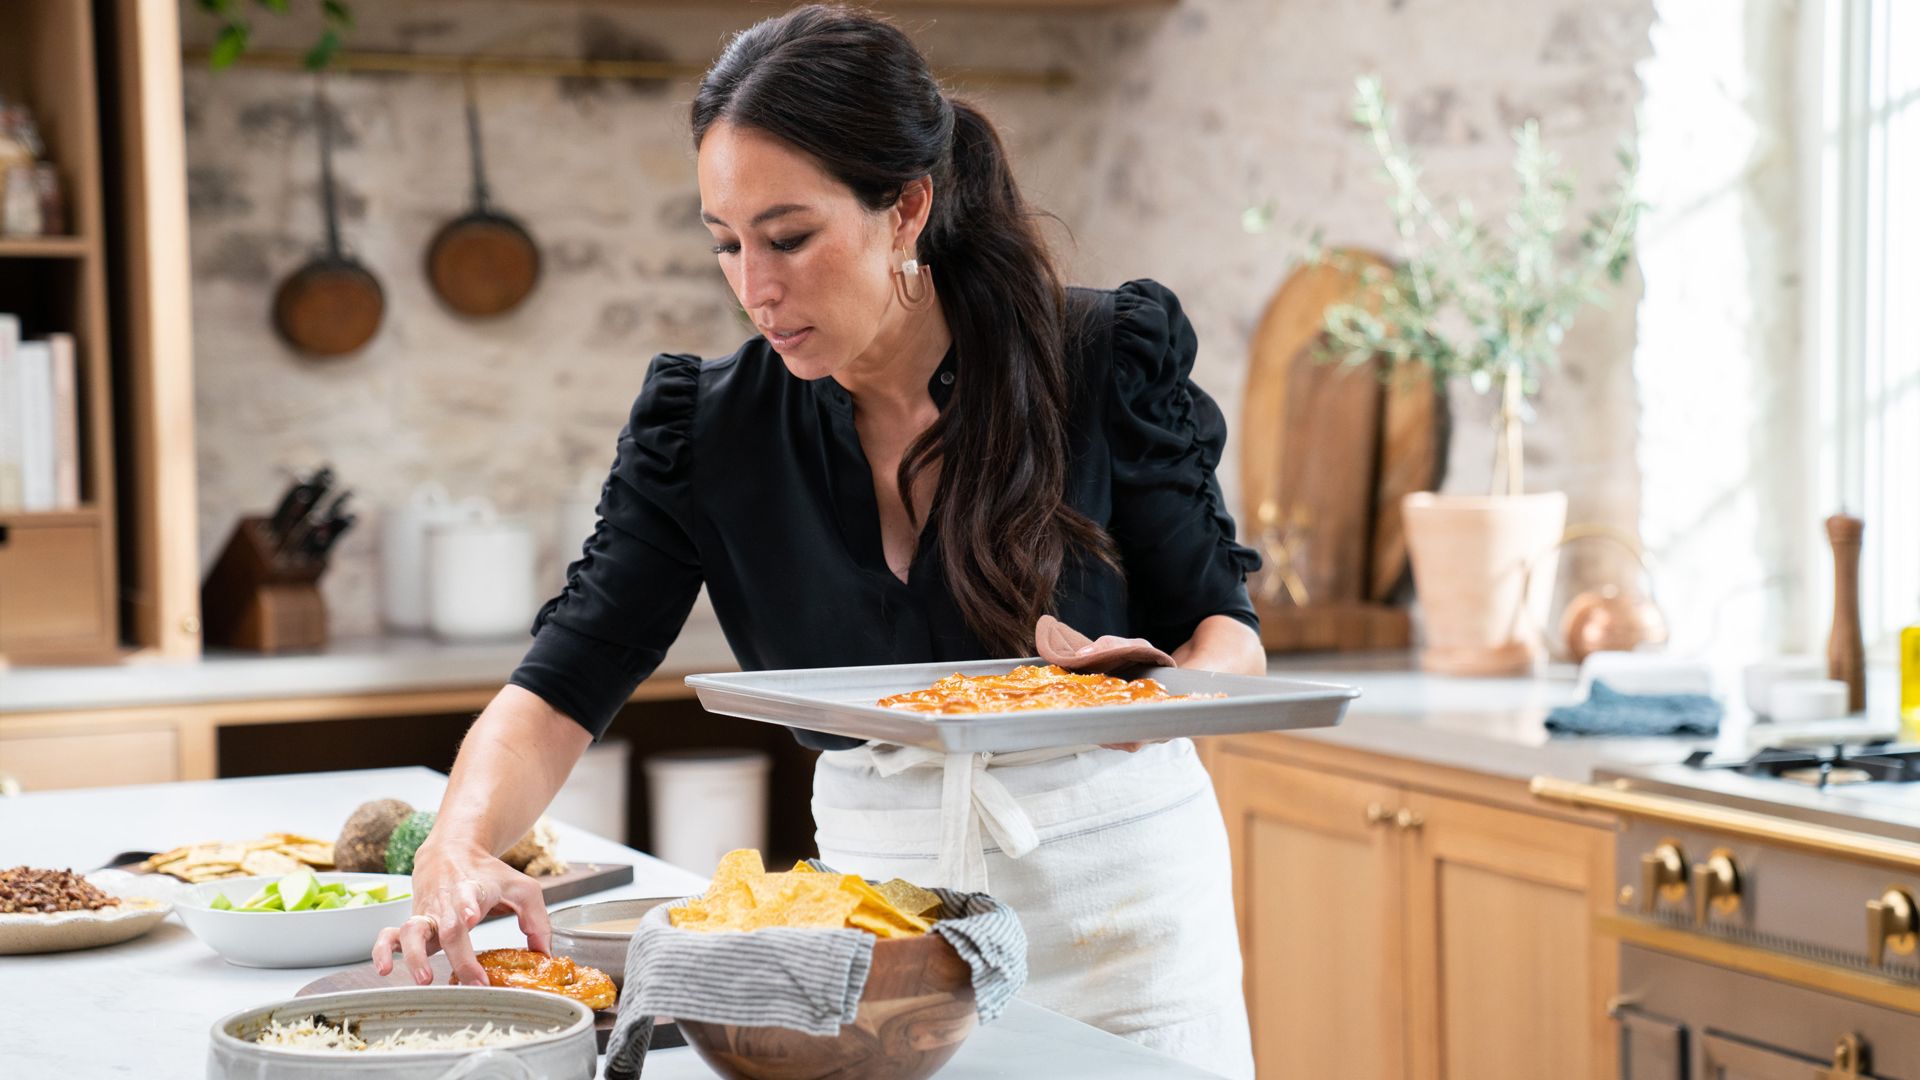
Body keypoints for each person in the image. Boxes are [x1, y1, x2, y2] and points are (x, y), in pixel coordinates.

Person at [373, 7, 1262, 1075]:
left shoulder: (1100, 356)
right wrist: (457, 846)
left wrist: (1153, 697)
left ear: (908, 210)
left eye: (788, 238)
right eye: (726, 244)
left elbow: (1230, 639)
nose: (755, 287)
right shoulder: (706, 432)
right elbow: (563, 685)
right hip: (876, 946)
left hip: (1118, 915)